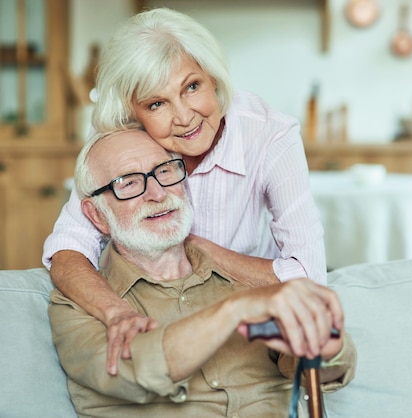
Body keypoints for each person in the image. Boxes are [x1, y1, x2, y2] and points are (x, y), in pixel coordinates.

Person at [42, 7, 326, 375]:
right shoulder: (120, 137)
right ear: (132, 112)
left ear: (213, 78)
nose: (184, 116)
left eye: (192, 87)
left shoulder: (270, 135)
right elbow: (68, 249)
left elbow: (309, 276)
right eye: (156, 104)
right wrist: (117, 313)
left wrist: (200, 248)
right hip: (153, 312)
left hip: (244, 317)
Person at [48, 129, 356, 418]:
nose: (157, 193)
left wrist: (327, 349)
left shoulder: (245, 280)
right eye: (129, 182)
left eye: (164, 171)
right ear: (97, 215)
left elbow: (317, 371)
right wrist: (235, 311)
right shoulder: (79, 303)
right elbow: (133, 371)